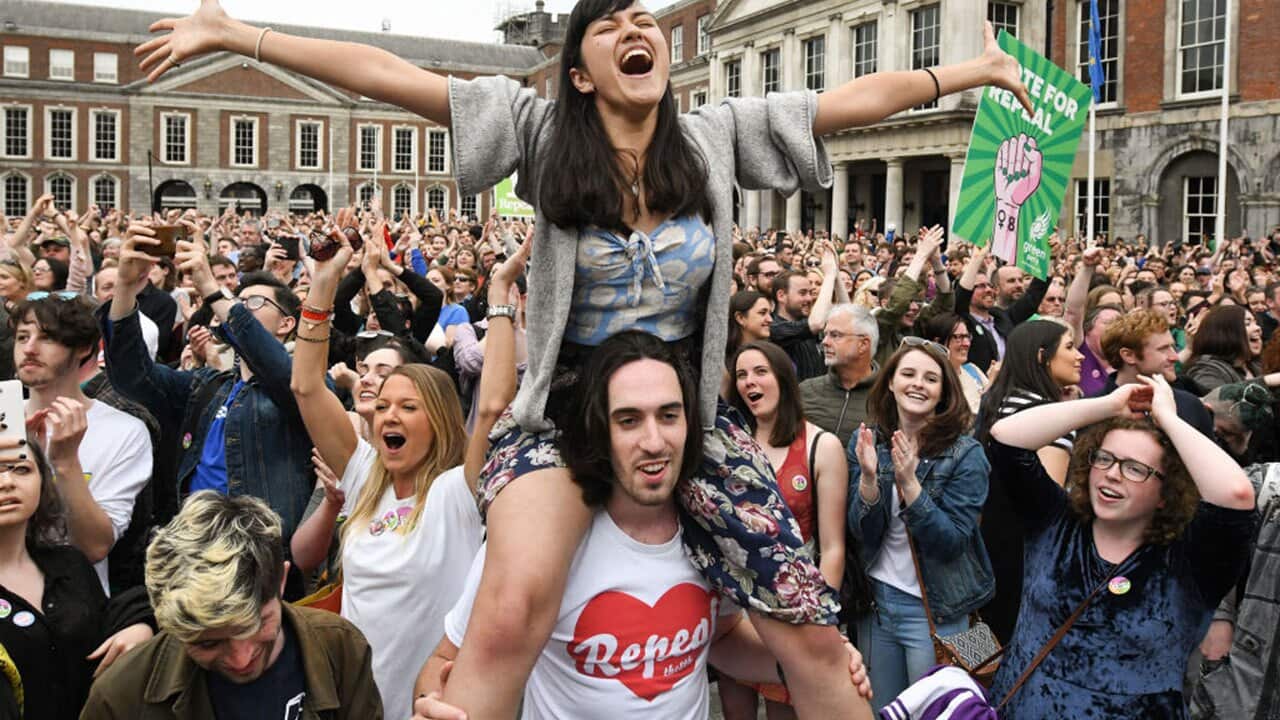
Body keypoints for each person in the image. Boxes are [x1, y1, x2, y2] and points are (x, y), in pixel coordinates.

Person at [137, 2, 1034, 716]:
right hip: (567, 409)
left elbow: (847, 102)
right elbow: (398, 78)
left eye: (642, 17)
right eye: (606, 23)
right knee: (515, 607)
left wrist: (975, 71)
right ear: (579, 69)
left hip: (687, 413)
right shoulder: (540, 133)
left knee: (807, 625)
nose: (633, 28)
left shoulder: (712, 137)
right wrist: (238, 33)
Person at [414, 331, 873, 720]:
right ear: (598, 429)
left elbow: (721, 638)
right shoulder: (541, 546)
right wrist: (432, 698)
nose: (654, 442)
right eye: (629, 420)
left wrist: (804, 658)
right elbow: (444, 659)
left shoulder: (709, 531)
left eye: (669, 416)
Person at [286, 219, 482, 716]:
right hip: (347, 700)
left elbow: (497, 403)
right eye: (384, 404)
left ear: (439, 420)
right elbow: (307, 387)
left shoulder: (455, 494)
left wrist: (501, 301)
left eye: (409, 406)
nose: (389, 414)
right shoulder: (365, 476)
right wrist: (325, 283)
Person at [986, 376, 1255, 718]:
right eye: (1105, 459)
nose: (1112, 474)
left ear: (1167, 492)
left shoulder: (1191, 562)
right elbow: (1007, 437)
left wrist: (1169, 420)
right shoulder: (1057, 521)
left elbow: (1236, 495)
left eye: (1134, 468)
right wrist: (1108, 406)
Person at [102, 221, 316, 544]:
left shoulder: (307, 384)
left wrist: (212, 289)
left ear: (287, 323)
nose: (238, 309)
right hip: (194, 545)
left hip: (255, 551)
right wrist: (125, 287)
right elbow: (133, 375)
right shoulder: (206, 386)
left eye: (253, 303)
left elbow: (281, 372)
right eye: (237, 301)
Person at [83, 492, 383, 719]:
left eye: (256, 625)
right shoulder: (121, 696)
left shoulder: (340, 646)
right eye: (210, 643)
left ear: (281, 581)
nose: (241, 658)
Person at [848, 338, 993, 709]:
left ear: (944, 392)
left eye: (930, 379)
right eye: (908, 374)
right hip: (877, 605)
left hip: (940, 611)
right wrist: (868, 479)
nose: (918, 384)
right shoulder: (867, 441)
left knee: (935, 712)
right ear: (891, 382)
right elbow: (860, 533)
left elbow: (951, 543)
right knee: (884, 709)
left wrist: (911, 484)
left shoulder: (966, 454)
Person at [723, 340, 850, 719]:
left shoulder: (820, 446)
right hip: (737, 611)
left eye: (760, 372)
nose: (750, 382)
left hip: (794, 610)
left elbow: (833, 548)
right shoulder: (727, 446)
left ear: (783, 378)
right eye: (742, 375)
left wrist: (818, 620)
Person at [0, 430, 154, 720]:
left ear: (43, 481)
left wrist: (140, 626)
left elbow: (115, 615)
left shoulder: (68, 563)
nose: (8, 482)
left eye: (21, 469)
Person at [14, 293, 152, 592]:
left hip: (72, 604)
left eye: (47, 338)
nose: (29, 348)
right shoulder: (5, 415)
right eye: (22, 336)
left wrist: (65, 463)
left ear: (83, 349)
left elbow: (94, 546)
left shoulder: (125, 430)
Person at [974, 320, 1084, 643]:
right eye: (1069, 346)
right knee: (1016, 663)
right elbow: (1045, 507)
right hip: (1026, 567)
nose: (1079, 356)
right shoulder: (1046, 420)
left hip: (987, 556)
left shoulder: (995, 405)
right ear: (1041, 356)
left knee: (985, 654)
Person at [1095, 309, 1214, 435]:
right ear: (1128, 355)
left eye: (1172, 347)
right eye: (1163, 349)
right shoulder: (1094, 411)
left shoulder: (1189, 405)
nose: (1174, 357)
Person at [956, 246, 1050, 373]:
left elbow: (1033, 297)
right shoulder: (963, 321)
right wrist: (977, 259)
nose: (988, 290)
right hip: (981, 386)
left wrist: (1049, 254)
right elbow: (961, 296)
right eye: (981, 286)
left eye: (990, 285)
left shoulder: (1002, 317)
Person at [799, 303, 879, 449]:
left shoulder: (888, 397)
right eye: (825, 334)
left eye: (835, 335)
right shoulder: (806, 390)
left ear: (863, 344)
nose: (825, 342)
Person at [870, 226, 952, 369]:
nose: (914, 308)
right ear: (884, 303)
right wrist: (920, 255)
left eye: (918, 302)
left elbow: (945, 303)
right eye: (909, 302)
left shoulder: (917, 324)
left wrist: (936, 261)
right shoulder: (877, 326)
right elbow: (897, 305)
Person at [1183, 304, 1260, 395]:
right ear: (1226, 332)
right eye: (1247, 324)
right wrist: (1266, 382)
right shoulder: (1206, 369)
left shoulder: (1255, 365)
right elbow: (1216, 399)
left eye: (1256, 323)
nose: (1258, 328)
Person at [925, 312, 988, 414]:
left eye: (967, 336)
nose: (966, 343)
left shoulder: (972, 370)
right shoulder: (936, 381)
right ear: (937, 342)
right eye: (958, 337)